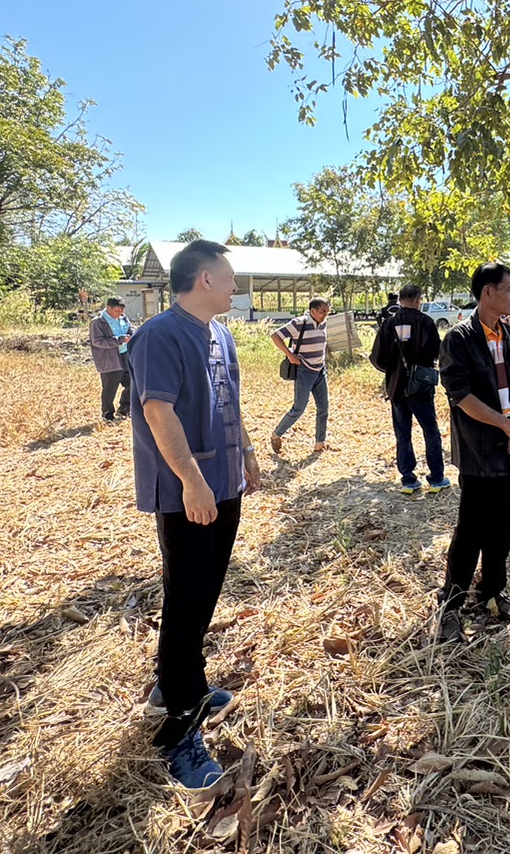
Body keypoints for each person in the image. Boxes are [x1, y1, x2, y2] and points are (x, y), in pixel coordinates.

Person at [125, 239, 263, 787]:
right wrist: (192, 481)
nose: (237, 286)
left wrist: (247, 453)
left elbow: (229, 401)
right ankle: (179, 727)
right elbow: (159, 413)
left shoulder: (221, 335)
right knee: (186, 594)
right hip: (190, 490)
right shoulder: (159, 336)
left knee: (204, 589)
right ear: (205, 279)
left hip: (223, 481)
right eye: (230, 277)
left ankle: (176, 681)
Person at [435, 262, 510, 643]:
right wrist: (505, 425)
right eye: (509, 289)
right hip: (480, 451)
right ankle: (451, 604)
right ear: (487, 293)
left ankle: (491, 593)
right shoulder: (459, 338)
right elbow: (460, 396)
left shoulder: (508, 335)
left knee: (505, 526)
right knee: (472, 531)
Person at [370, 283, 450, 494]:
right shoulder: (426, 322)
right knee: (430, 431)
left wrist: (393, 370)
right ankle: (436, 478)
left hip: (396, 387)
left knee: (402, 433)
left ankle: (408, 479)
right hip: (421, 387)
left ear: (400, 299)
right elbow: (436, 352)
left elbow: (376, 358)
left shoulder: (388, 324)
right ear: (417, 299)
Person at [270, 297, 331, 454]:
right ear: (313, 311)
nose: (325, 315)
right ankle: (277, 434)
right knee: (299, 408)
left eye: (327, 312)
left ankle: (320, 442)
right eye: (323, 311)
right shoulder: (299, 323)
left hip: (320, 370)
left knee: (323, 407)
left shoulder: (323, 323)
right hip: (304, 370)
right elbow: (276, 336)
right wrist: (290, 355)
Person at [89, 297, 133, 421]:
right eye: (116, 311)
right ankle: (107, 415)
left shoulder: (122, 317)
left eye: (121, 311)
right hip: (110, 360)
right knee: (109, 389)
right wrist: (119, 340)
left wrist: (133, 333)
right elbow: (97, 341)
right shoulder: (98, 322)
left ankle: (125, 409)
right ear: (108, 308)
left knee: (132, 384)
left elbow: (130, 328)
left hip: (125, 356)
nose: (119, 314)